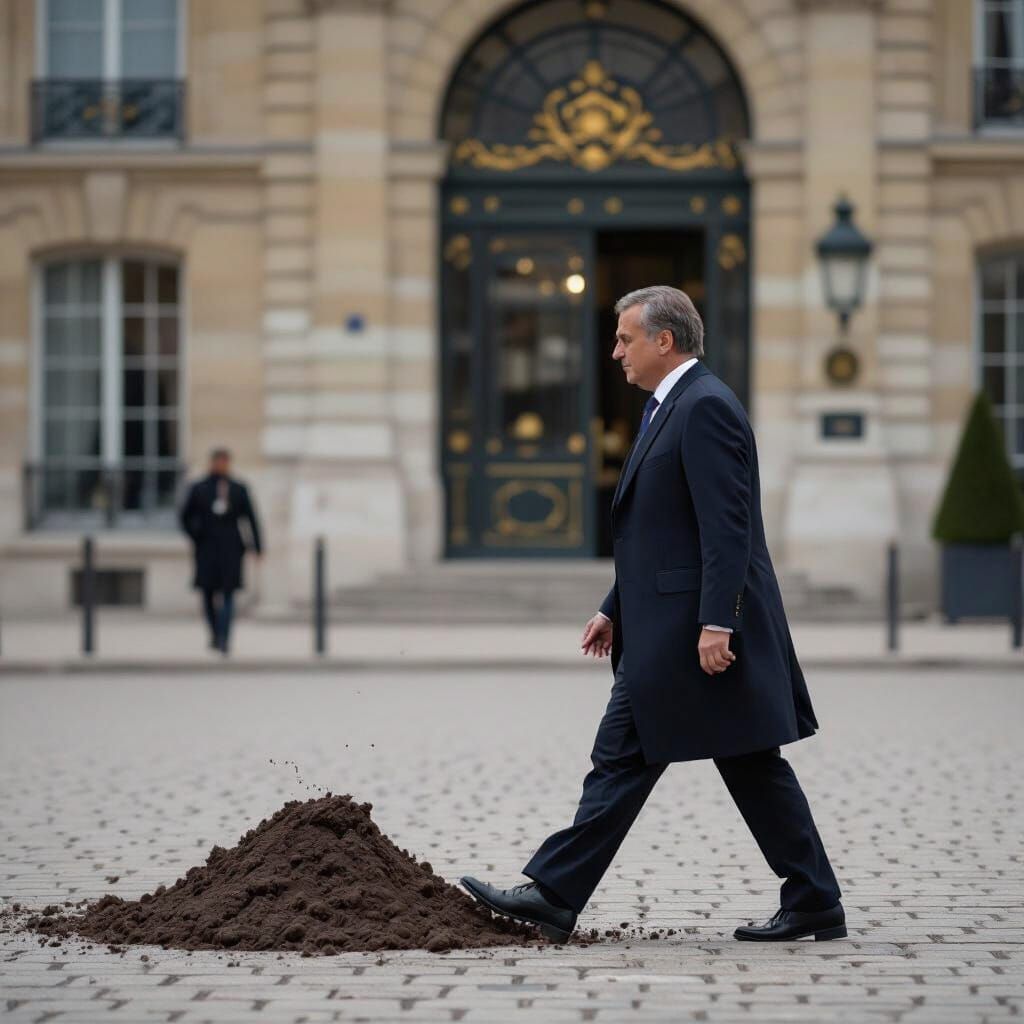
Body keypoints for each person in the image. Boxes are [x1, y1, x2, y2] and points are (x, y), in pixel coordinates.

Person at [461, 286, 845, 944]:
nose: (614, 352)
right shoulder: (674, 408)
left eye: (623, 338)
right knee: (748, 762)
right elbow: (662, 531)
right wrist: (614, 607)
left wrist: (718, 622)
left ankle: (553, 894)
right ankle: (814, 899)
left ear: (663, 341)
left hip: (692, 633)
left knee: (627, 758)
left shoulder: (704, 409)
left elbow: (726, 529)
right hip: (669, 625)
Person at [178, 448, 262, 655]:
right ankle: (215, 632)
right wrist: (196, 535)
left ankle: (225, 637)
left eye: (226, 462)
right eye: (219, 462)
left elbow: (251, 518)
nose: (222, 466)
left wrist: (257, 546)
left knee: (229, 594)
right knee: (207, 594)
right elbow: (185, 516)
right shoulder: (199, 488)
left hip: (231, 549)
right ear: (212, 463)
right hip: (206, 547)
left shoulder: (238, 488)